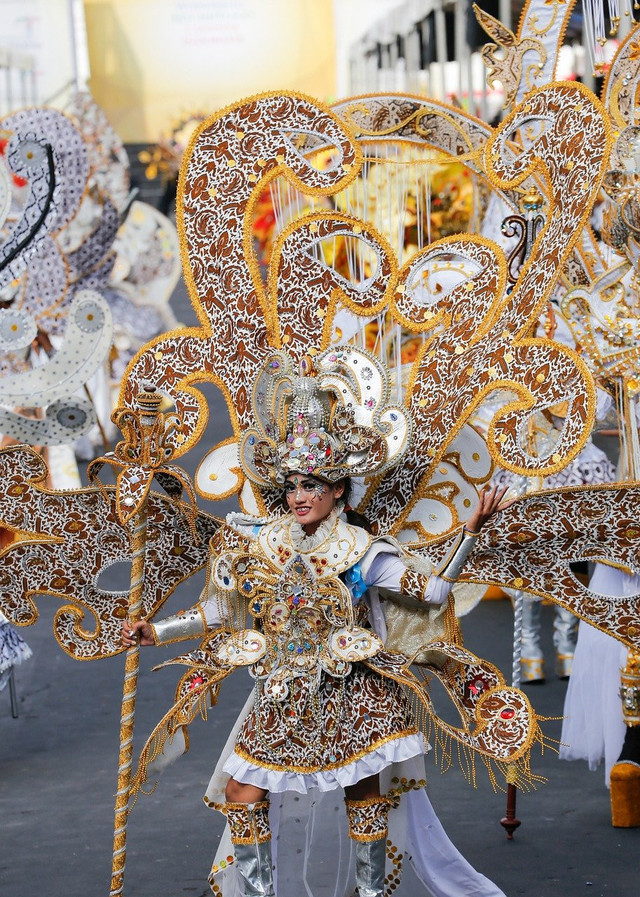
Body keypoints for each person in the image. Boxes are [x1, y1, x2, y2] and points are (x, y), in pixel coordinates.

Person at [120, 349, 527, 897]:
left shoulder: (362, 551)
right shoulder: (264, 541)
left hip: (353, 690)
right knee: (242, 792)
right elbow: (222, 610)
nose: (299, 497)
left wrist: (471, 531)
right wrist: (158, 631)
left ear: (338, 490)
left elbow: (430, 593)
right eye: (291, 486)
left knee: (363, 800)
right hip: (283, 691)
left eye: (311, 485)